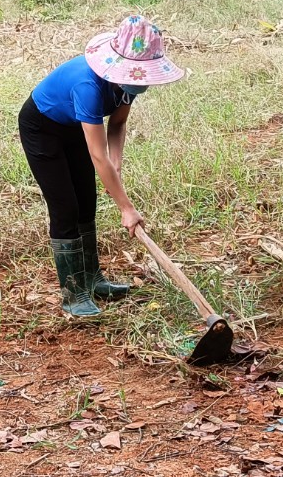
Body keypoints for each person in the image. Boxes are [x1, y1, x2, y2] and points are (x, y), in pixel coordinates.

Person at [19, 16, 184, 318]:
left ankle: (93, 279)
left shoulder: (126, 84)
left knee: (87, 200)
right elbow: (97, 154)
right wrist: (126, 207)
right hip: (41, 127)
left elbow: (117, 124)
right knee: (65, 206)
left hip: (74, 126)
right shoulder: (89, 86)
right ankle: (73, 293)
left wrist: (116, 166)